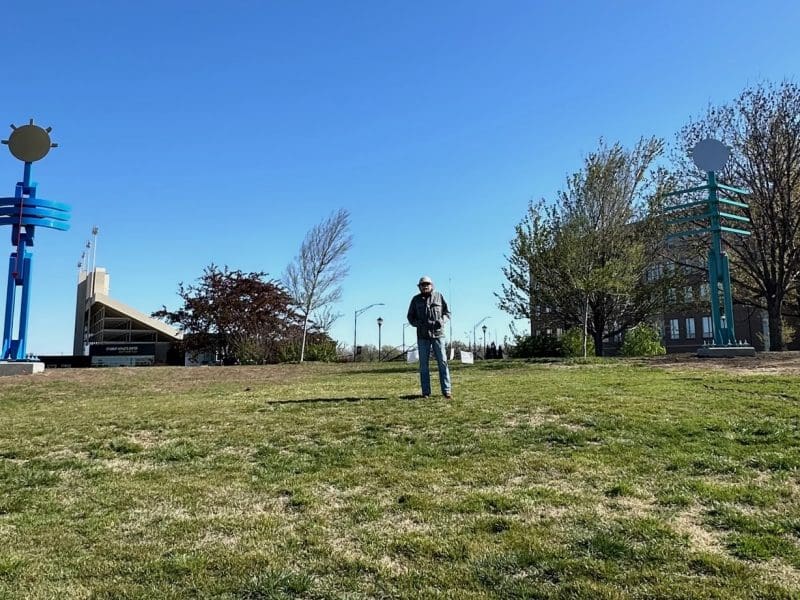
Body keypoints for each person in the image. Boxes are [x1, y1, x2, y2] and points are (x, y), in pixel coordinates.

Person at [407, 275, 452, 398]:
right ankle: (426, 392)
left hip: (438, 335)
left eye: (427, 284)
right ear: (419, 287)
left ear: (432, 285)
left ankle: (447, 391)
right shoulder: (415, 300)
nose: (425, 286)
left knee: (443, 362)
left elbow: (448, 313)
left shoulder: (439, 296)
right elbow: (410, 317)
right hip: (423, 336)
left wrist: (441, 321)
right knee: (423, 365)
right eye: (423, 284)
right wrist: (419, 324)